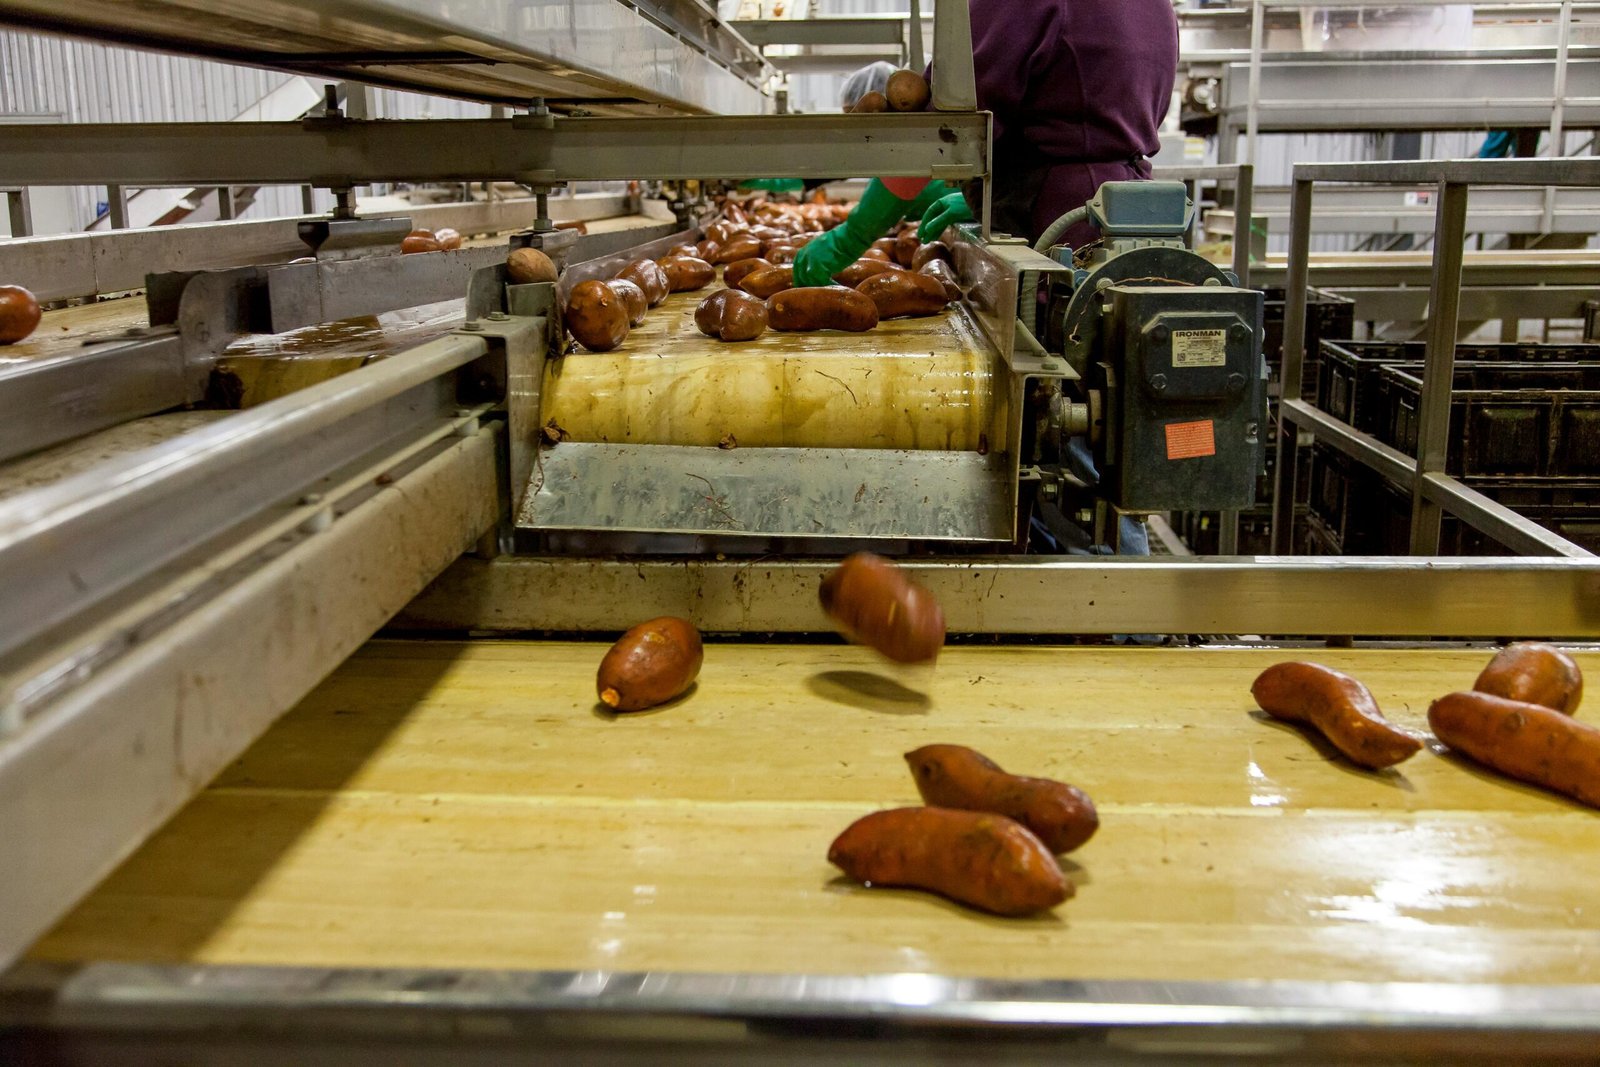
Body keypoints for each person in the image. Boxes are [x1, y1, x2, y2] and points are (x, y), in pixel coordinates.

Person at [794, 0, 1180, 285]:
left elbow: (944, 133)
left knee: (1061, 368)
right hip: (1124, 211)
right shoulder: (1157, 6)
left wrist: (852, 235)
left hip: (1062, 224)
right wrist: (984, 195)